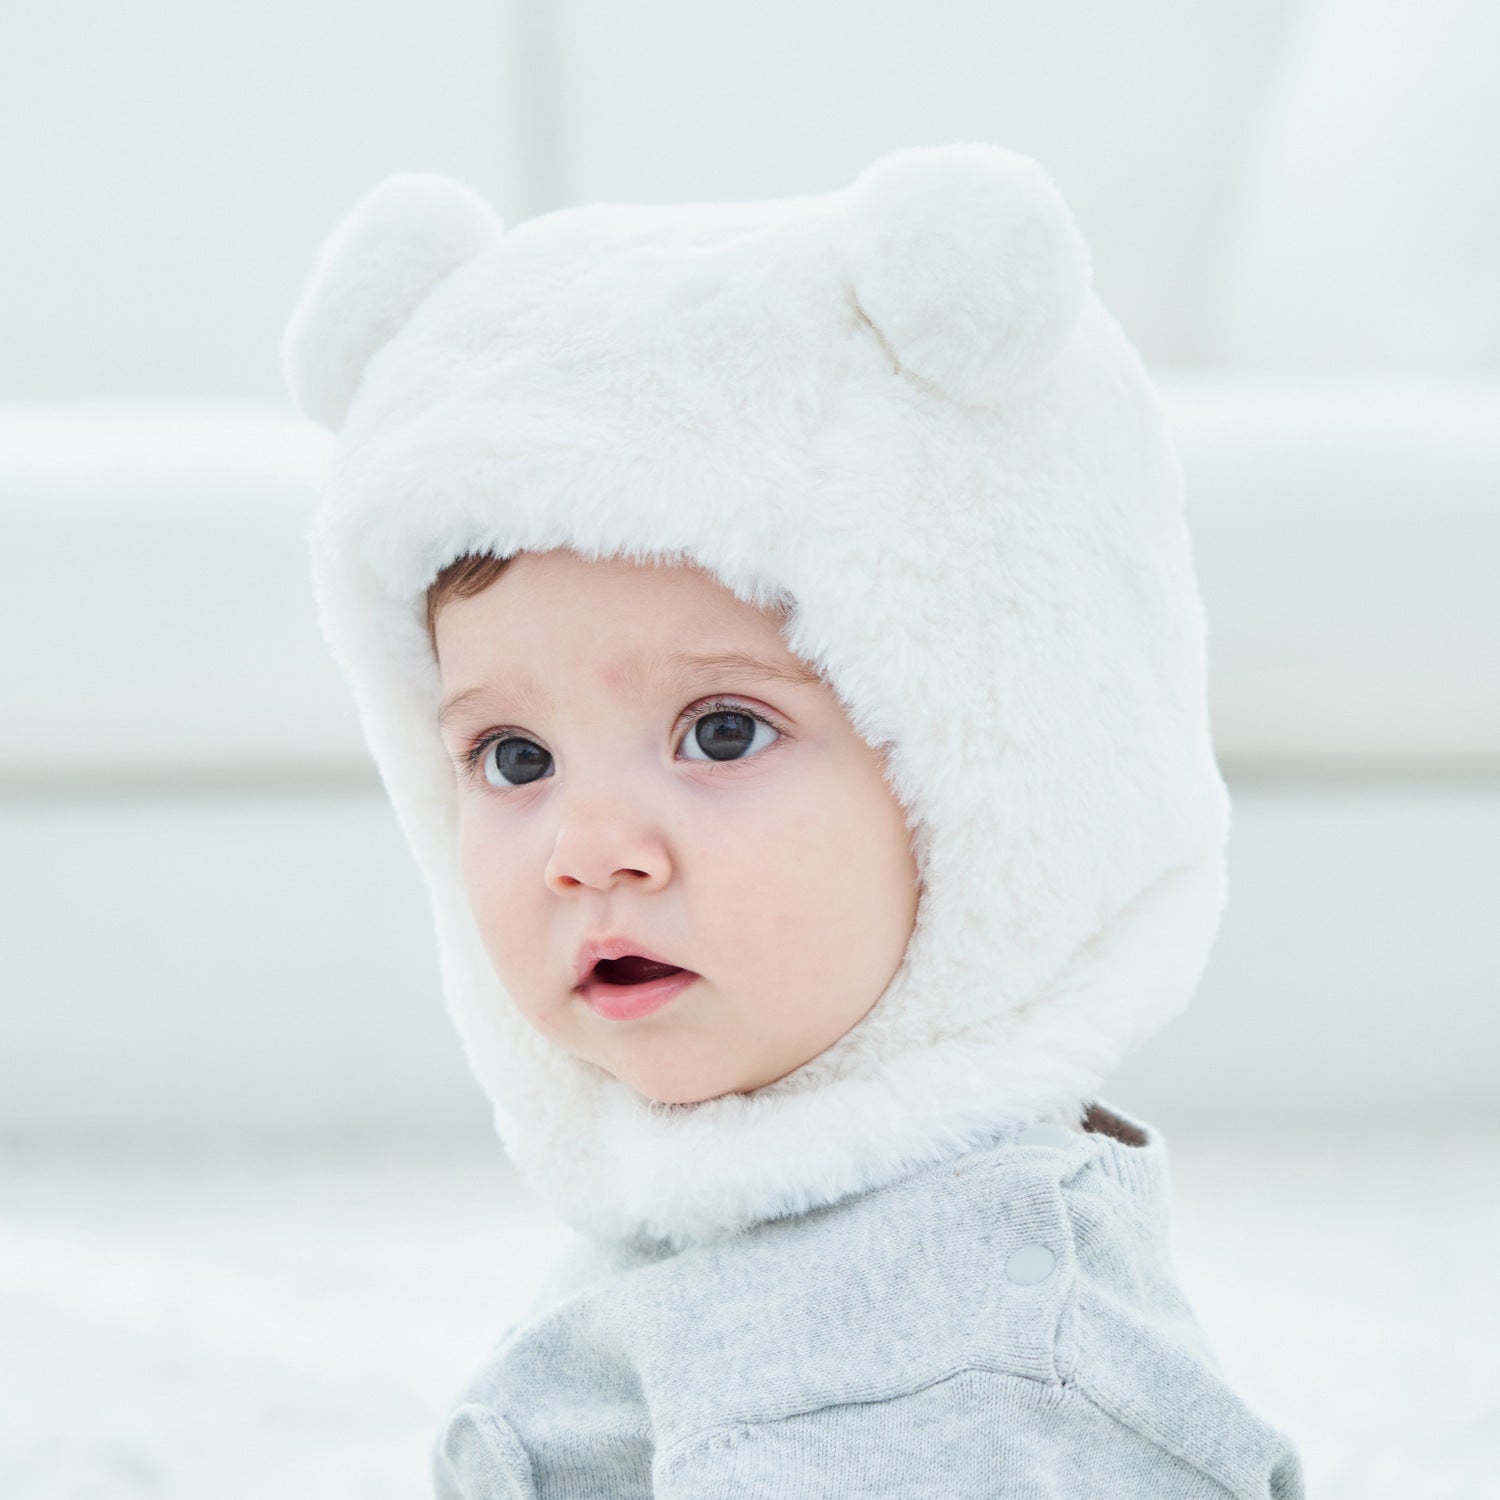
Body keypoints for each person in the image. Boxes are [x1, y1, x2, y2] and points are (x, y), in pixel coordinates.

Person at [280, 142, 1305, 1498]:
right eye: (513, 755)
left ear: (993, 779)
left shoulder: (980, 1379)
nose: (593, 848)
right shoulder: (701, 1224)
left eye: (721, 733)